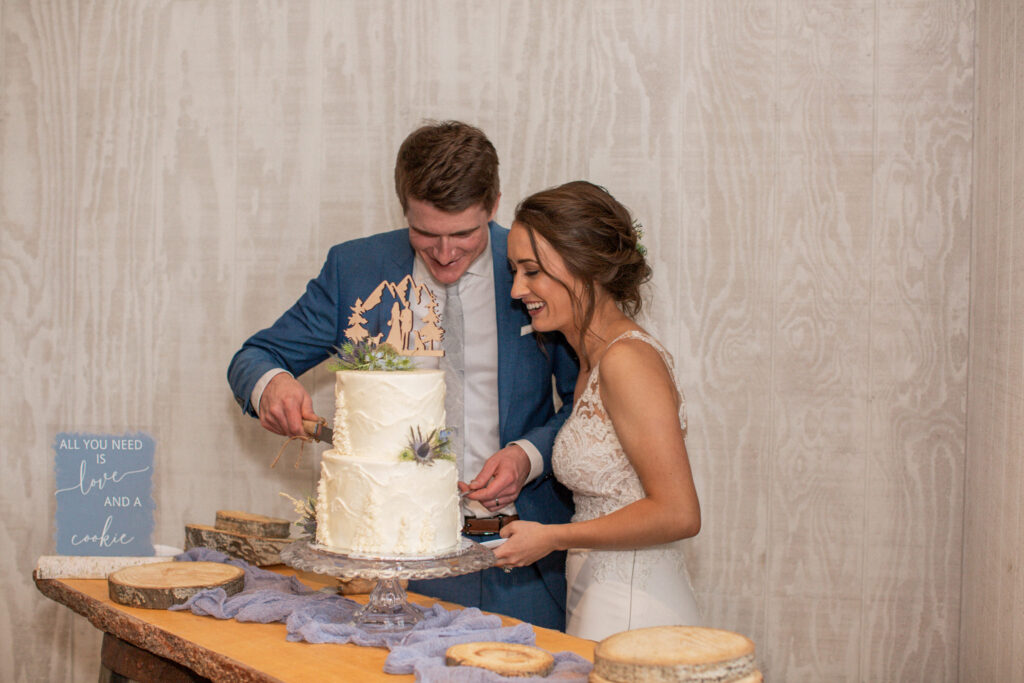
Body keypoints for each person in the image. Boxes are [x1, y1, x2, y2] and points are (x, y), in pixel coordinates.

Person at [227, 121, 577, 630]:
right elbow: (255, 356)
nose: (445, 253)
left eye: (463, 234)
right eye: (426, 234)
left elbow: (586, 402)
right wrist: (271, 384)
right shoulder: (355, 268)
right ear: (403, 208)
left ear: (494, 205)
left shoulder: (533, 266)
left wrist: (529, 455)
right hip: (394, 568)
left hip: (520, 557)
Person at [493, 180, 701, 641]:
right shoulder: (589, 361)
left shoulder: (627, 361)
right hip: (596, 593)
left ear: (584, 266)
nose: (517, 289)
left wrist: (551, 537)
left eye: (532, 271)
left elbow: (679, 513)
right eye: (514, 271)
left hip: (633, 606)